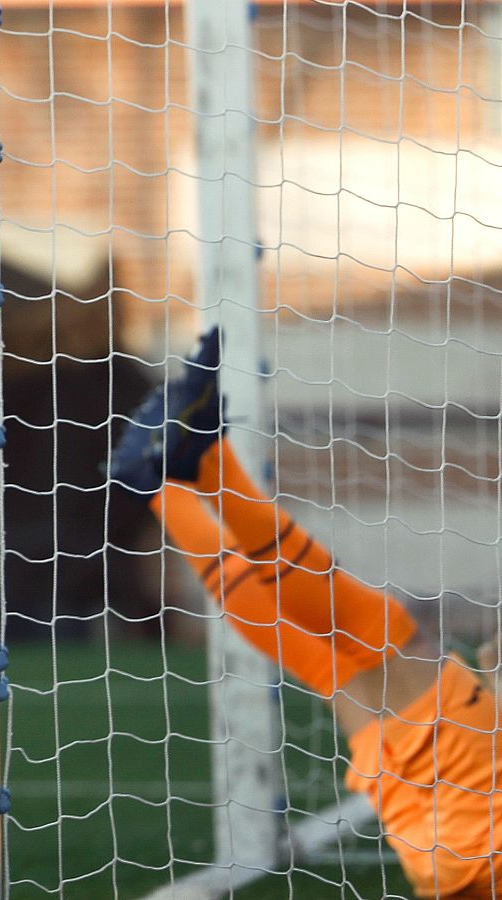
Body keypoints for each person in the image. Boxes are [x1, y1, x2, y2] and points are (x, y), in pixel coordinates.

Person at [111, 327, 502, 898]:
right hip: (438, 854)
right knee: (334, 663)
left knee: (380, 637)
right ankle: (161, 482)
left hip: (484, 827)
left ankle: (197, 468)